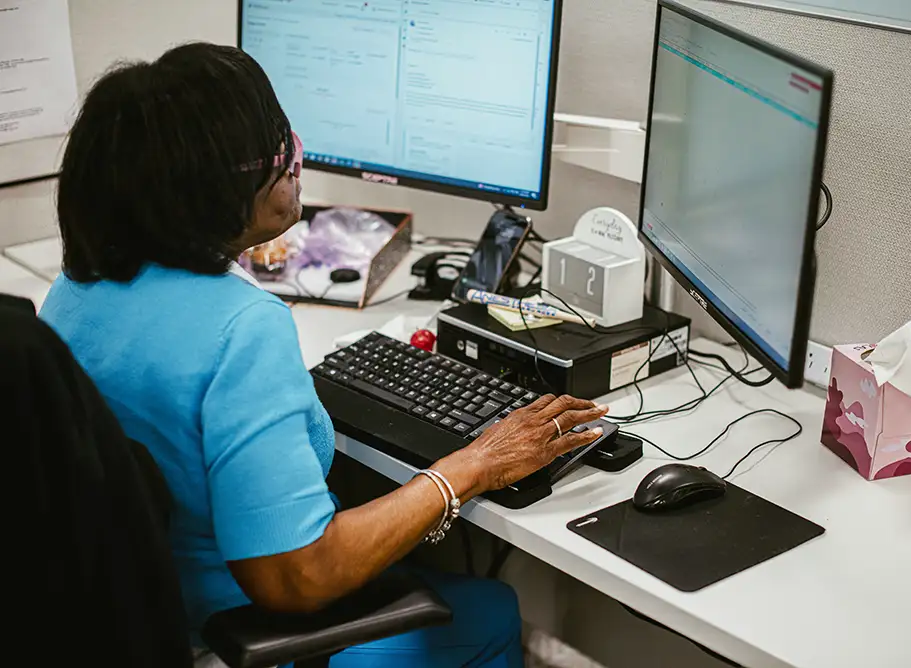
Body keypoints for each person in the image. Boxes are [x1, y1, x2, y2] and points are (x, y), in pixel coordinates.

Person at [39, 43, 608, 667]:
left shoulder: (73, 289)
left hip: (124, 618)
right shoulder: (242, 329)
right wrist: (472, 466)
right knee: (493, 609)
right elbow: (298, 575)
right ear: (214, 188)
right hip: (232, 635)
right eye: (279, 149)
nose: (293, 163)